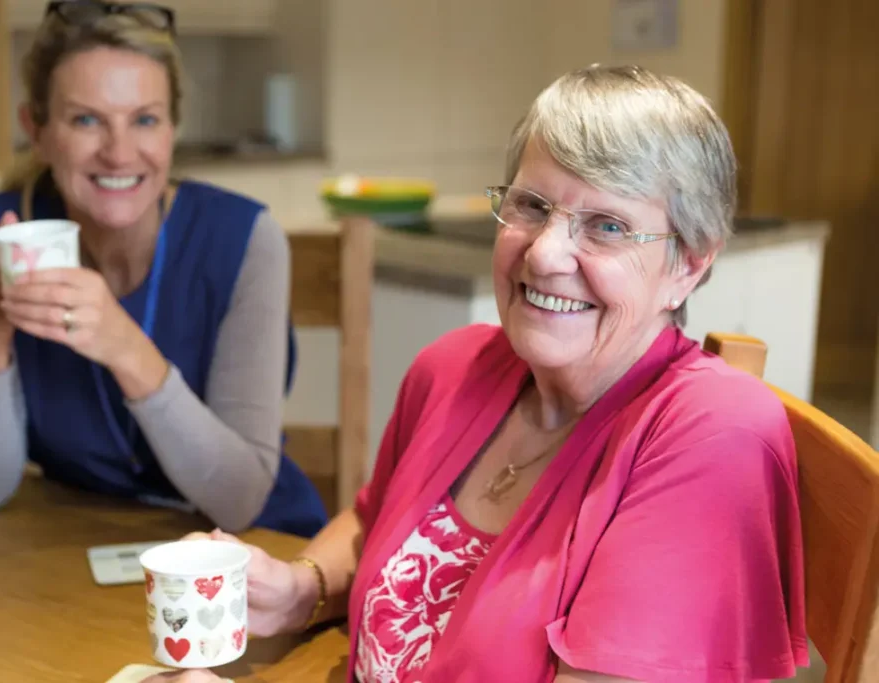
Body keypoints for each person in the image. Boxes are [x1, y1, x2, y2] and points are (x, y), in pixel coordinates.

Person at [147, 65, 810, 683]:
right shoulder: (456, 367)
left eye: (606, 226)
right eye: (532, 206)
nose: (547, 253)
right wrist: (300, 591)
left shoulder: (712, 436)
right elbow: (377, 522)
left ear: (689, 263)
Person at [0, 0, 327, 538]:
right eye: (86, 120)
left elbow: (238, 502)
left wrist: (125, 347)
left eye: (144, 119)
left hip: (247, 555)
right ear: (40, 130)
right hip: (79, 547)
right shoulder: (7, 230)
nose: (119, 154)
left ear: (172, 129)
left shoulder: (244, 240)